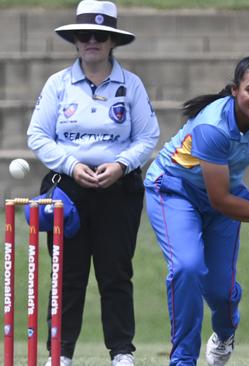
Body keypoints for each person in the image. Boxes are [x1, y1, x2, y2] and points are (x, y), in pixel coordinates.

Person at [143, 54, 249, 366]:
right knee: (187, 268)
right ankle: (183, 360)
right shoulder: (213, 127)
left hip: (223, 192)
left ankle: (225, 331)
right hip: (175, 190)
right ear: (234, 90)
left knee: (220, 290)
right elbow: (220, 200)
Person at [26, 1, 160, 365]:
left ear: (112, 41)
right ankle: (61, 352)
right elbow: (37, 136)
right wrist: (71, 165)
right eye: (85, 35)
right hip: (68, 191)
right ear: (75, 41)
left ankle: (121, 352)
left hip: (119, 190)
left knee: (115, 272)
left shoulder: (130, 84)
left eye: (100, 35)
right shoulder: (58, 84)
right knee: (67, 275)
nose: (92, 42)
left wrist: (120, 165)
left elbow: (148, 137)